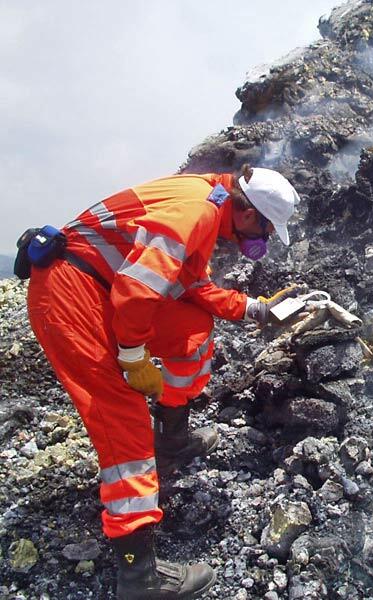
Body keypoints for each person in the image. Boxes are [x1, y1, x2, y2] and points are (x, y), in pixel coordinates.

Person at [25, 165, 300, 599]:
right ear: (249, 215)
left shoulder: (209, 202)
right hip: (73, 297)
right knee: (124, 422)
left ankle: (172, 438)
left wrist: (258, 310)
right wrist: (133, 356)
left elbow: (192, 288)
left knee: (192, 329)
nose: (256, 240)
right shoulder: (196, 210)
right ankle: (140, 576)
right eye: (264, 229)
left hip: (103, 289)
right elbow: (138, 286)